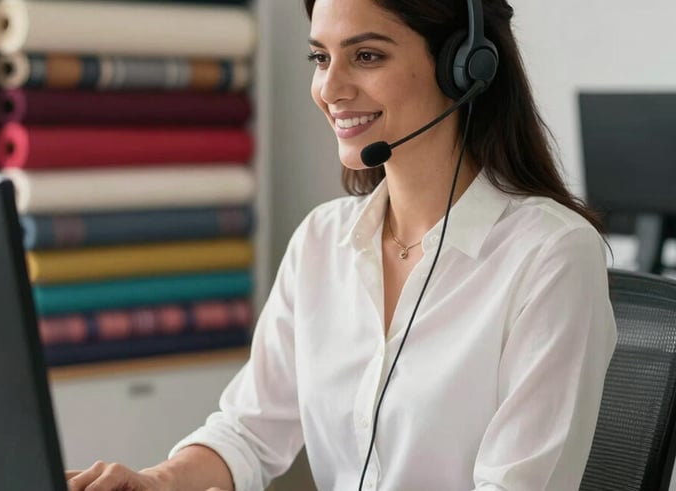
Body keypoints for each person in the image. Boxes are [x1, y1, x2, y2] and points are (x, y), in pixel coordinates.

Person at [66, 0, 617, 489]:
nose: (330, 89)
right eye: (321, 58)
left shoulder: (552, 254)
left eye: (367, 56)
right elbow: (250, 432)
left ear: (464, 67)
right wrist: (155, 482)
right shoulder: (321, 240)